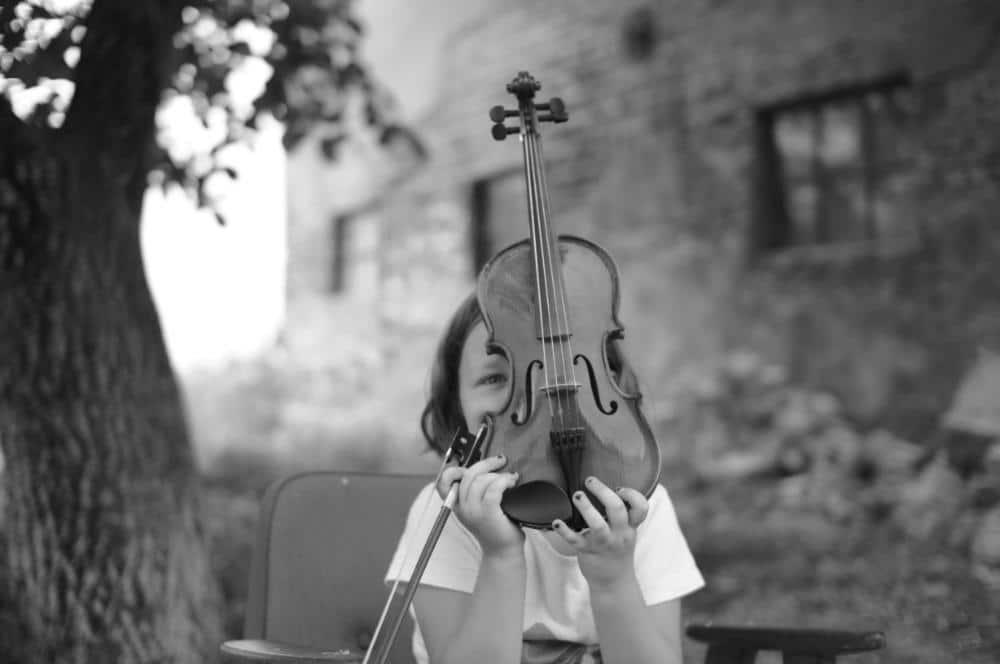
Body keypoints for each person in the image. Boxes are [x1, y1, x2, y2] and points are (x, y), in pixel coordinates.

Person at [384, 292, 704, 664]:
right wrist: (500, 555)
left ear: (607, 381)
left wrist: (612, 577)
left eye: (557, 373)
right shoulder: (449, 512)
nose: (532, 397)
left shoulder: (638, 504)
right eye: (495, 377)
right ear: (456, 407)